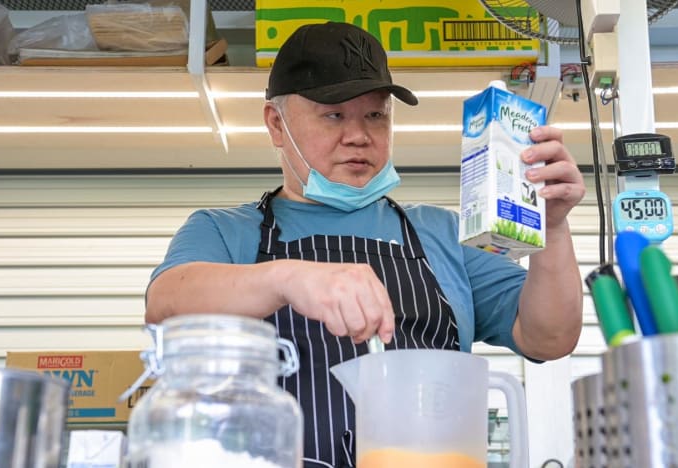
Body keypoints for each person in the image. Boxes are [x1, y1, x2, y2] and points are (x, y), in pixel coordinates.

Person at [146, 21, 585, 468]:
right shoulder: (223, 231)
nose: (359, 135)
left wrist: (552, 228)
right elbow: (166, 302)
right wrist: (288, 277)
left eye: (375, 115)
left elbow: (550, 336)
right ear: (276, 124)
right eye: (334, 114)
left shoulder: (443, 234)